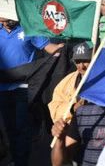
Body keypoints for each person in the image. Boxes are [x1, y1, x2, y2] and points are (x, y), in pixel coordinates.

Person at [0, 18, 63, 166]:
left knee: (21, 127)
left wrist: (62, 47)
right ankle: (16, 159)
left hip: (25, 87)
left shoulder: (28, 27)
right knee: (10, 128)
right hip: (2, 88)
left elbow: (48, 47)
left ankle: (21, 161)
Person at [48, 42, 92, 122]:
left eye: (86, 61)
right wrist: (72, 108)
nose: (82, 66)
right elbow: (54, 109)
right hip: (72, 130)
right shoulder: (66, 82)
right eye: (78, 62)